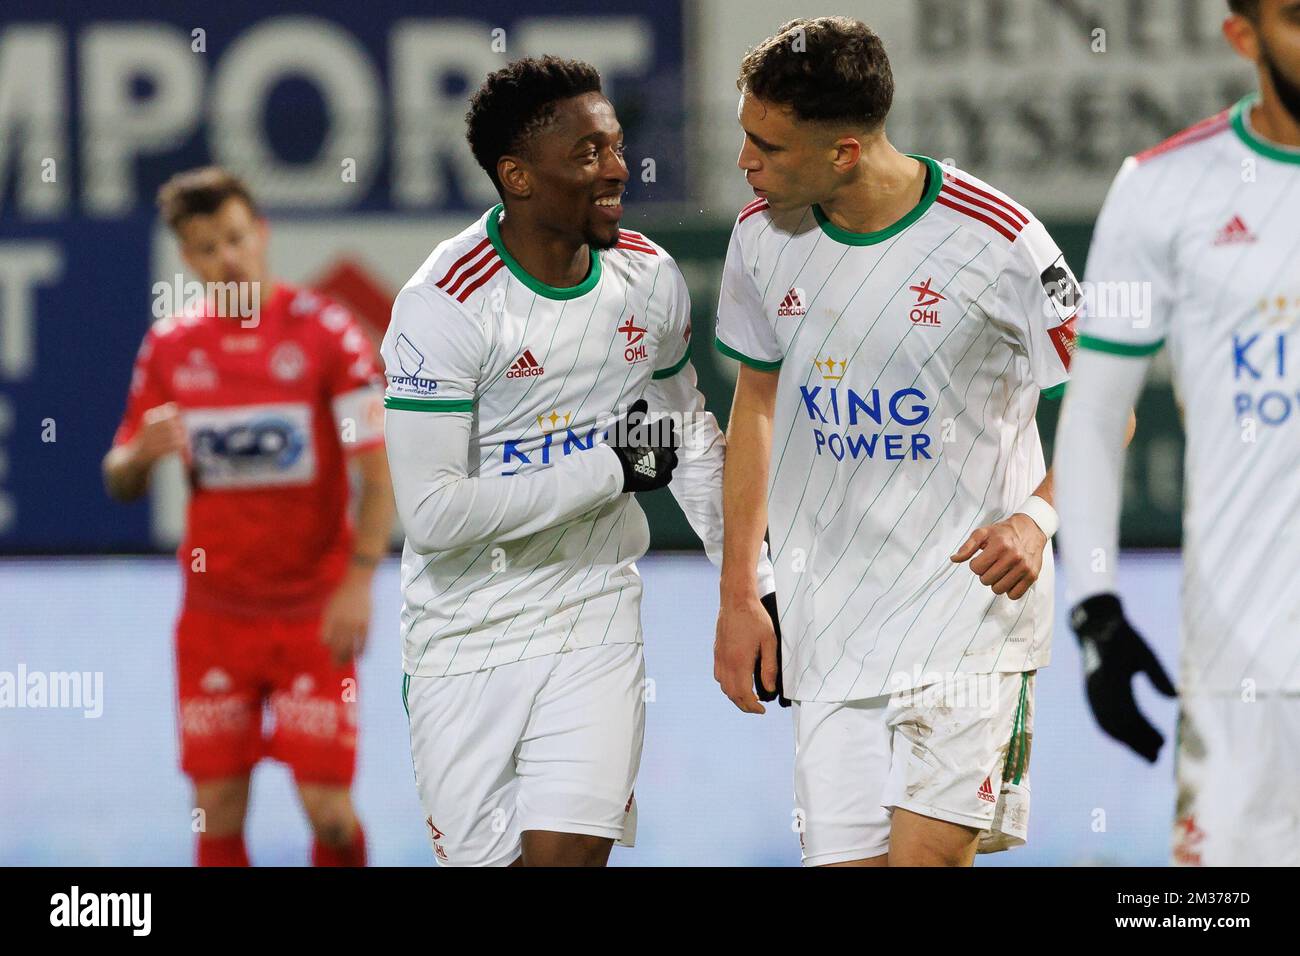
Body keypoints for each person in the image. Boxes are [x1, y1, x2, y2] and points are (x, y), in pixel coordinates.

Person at [382, 56, 775, 867]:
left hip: (593, 616)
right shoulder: (444, 306)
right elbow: (433, 514)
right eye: (589, 154)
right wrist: (608, 470)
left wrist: (755, 584)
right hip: (464, 635)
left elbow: (686, 438)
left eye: (617, 147)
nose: (618, 170)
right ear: (517, 176)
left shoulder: (647, 277)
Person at [712, 17, 1080, 866]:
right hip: (828, 625)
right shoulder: (760, 238)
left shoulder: (1001, 241)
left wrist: (1036, 520)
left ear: (844, 151)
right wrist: (740, 593)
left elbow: (1105, 404)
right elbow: (756, 407)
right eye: (742, 135)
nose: (744, 162)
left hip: (969, 617)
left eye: (767, 145)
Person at [1055, 0, 1300, 866]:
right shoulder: (1163, 189)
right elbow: (1091, 416)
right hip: (1247, 671)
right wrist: (1095, 611)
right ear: (1245, 37)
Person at [103, 167, 393, 866]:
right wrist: (139, 456)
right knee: (218, 819)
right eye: (206, 248)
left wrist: (357, 583)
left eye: (235, 238)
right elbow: (118, 479)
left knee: (328, 818)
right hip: (214, 620)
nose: (226, 258)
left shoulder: (330, 337)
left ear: (261, 234)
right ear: (187, 259)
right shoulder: (171, 348)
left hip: (312, 616)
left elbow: (378, 478)